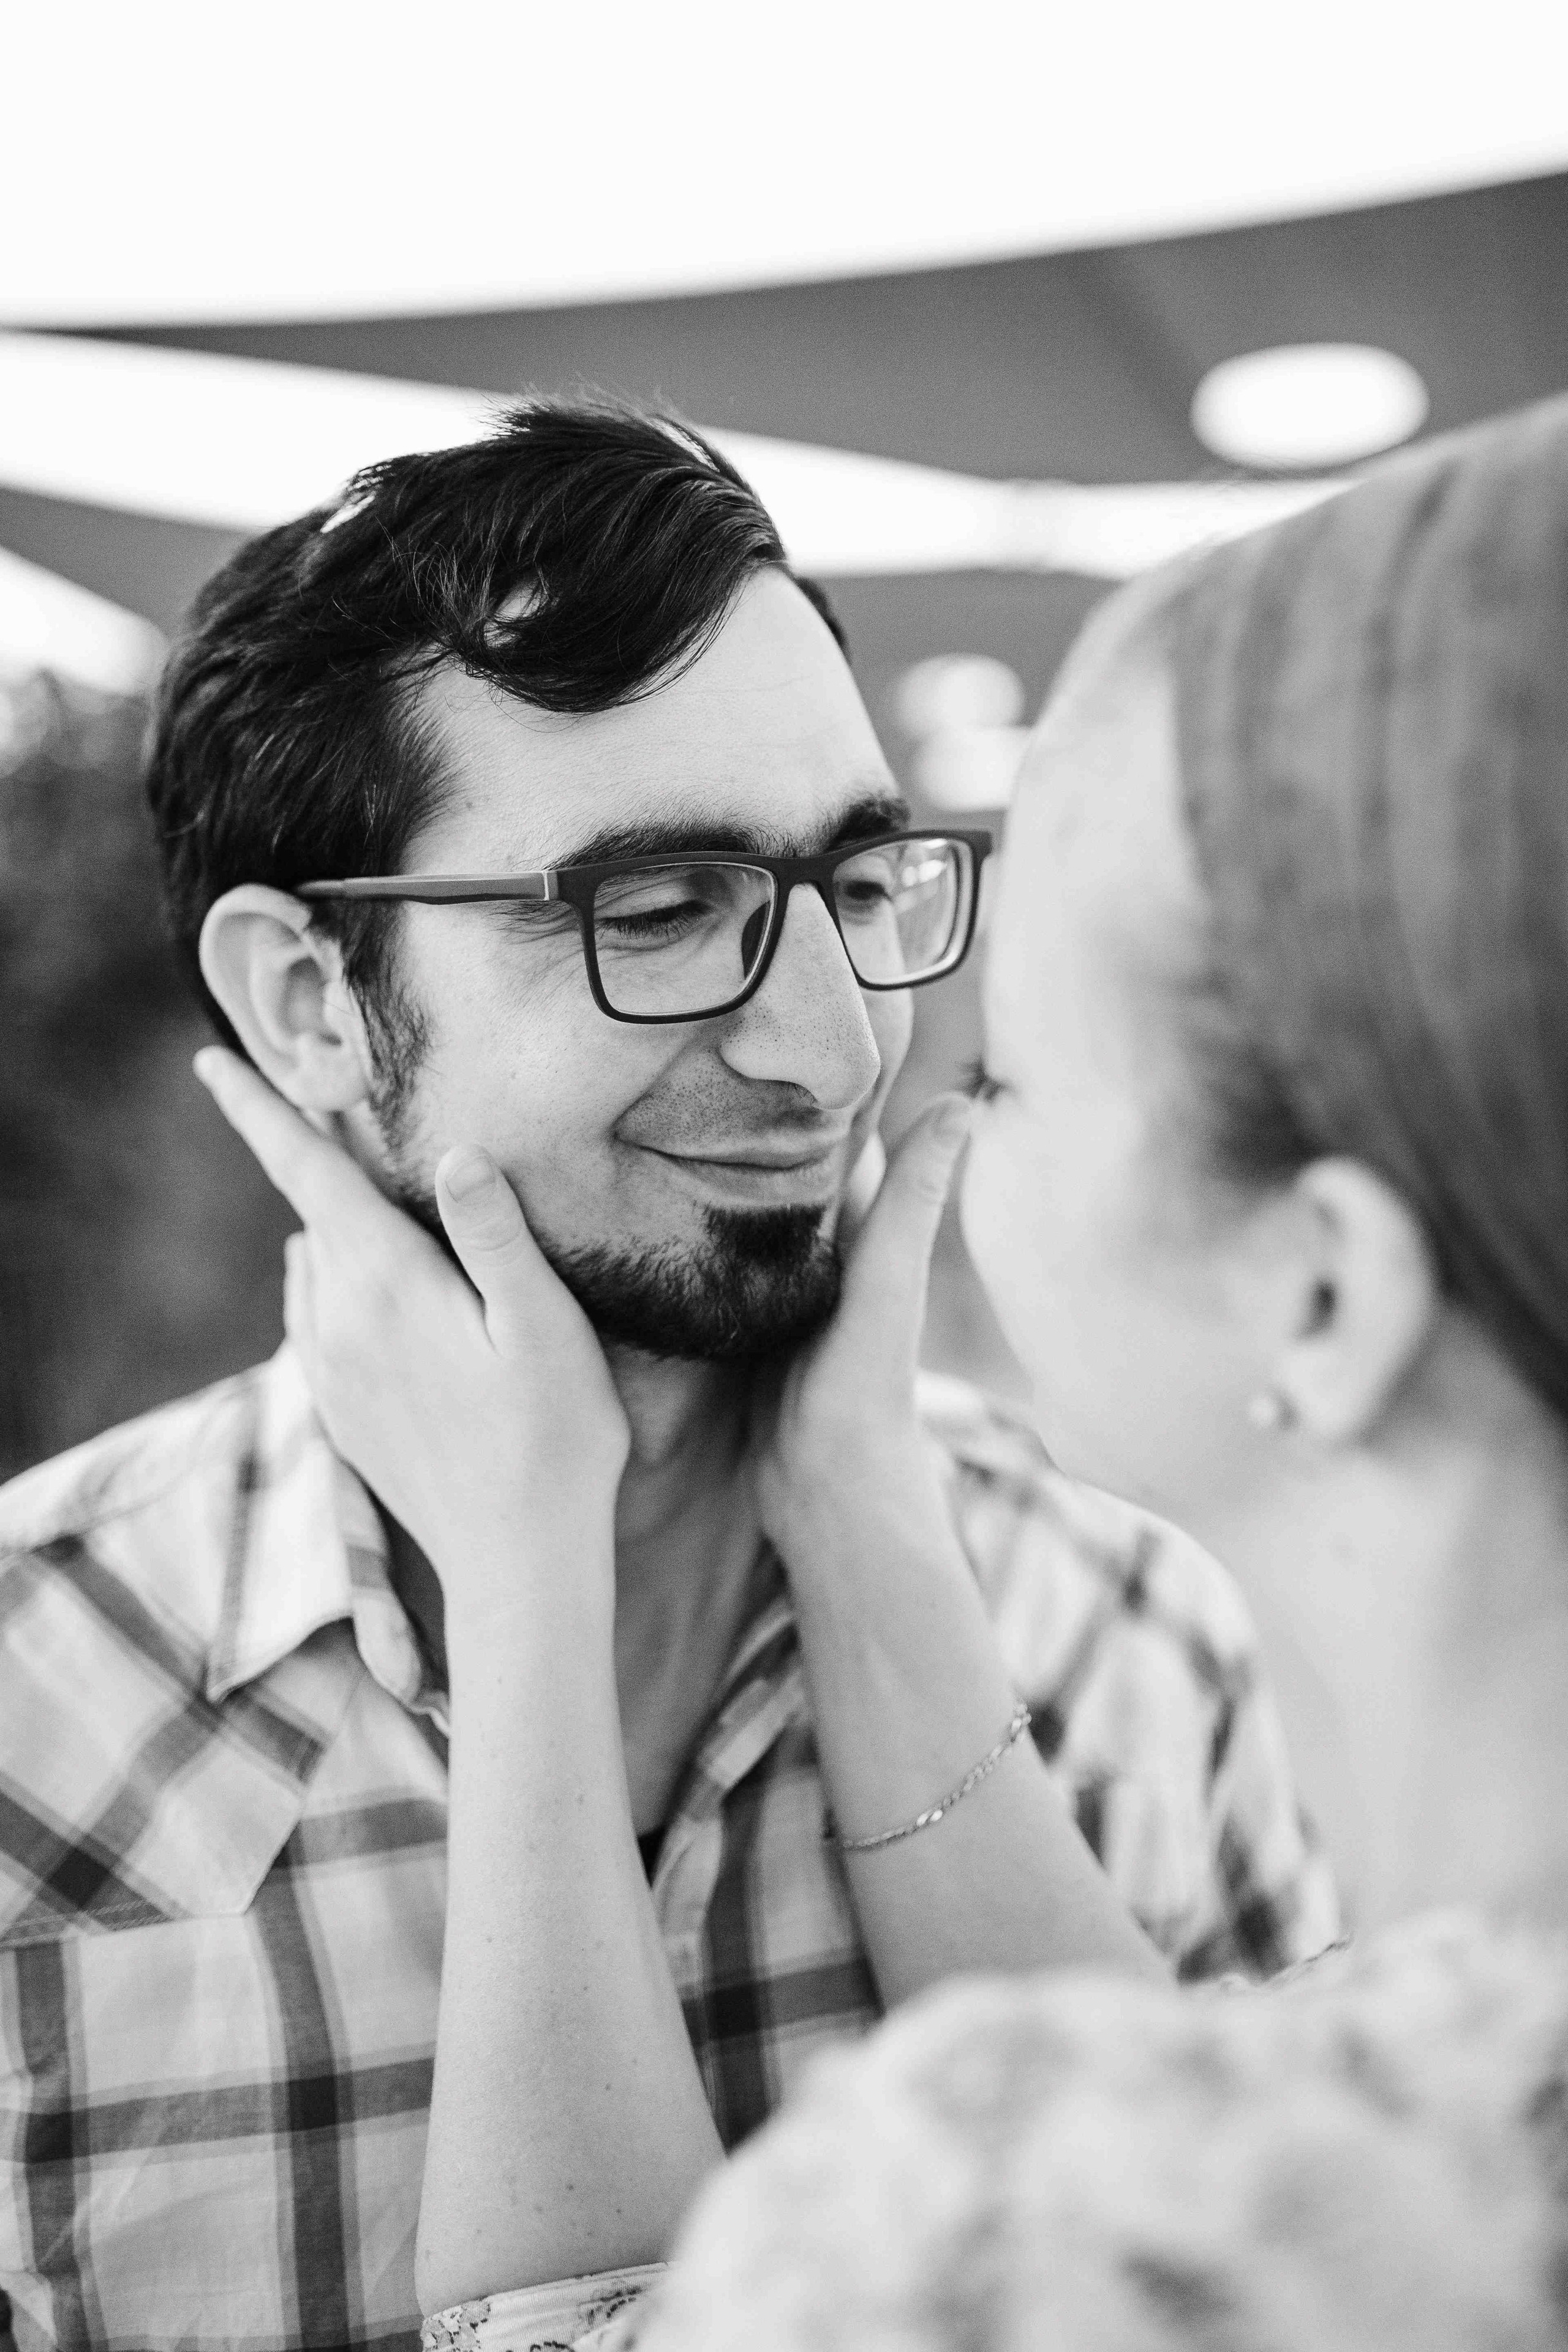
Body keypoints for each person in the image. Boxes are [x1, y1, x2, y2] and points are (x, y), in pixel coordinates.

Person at [0, 401, 1334, 2352]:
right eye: (656, 912)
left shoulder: (1137, 1634)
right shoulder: (34, 1724)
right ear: (310, 1005)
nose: (827, 1051)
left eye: (859, 886)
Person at [621, 391, 1568, 2350]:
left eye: (1011, 1078)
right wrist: (868, 1520)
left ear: (1320, 1296)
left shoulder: (992, 2238)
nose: (855, 1081)